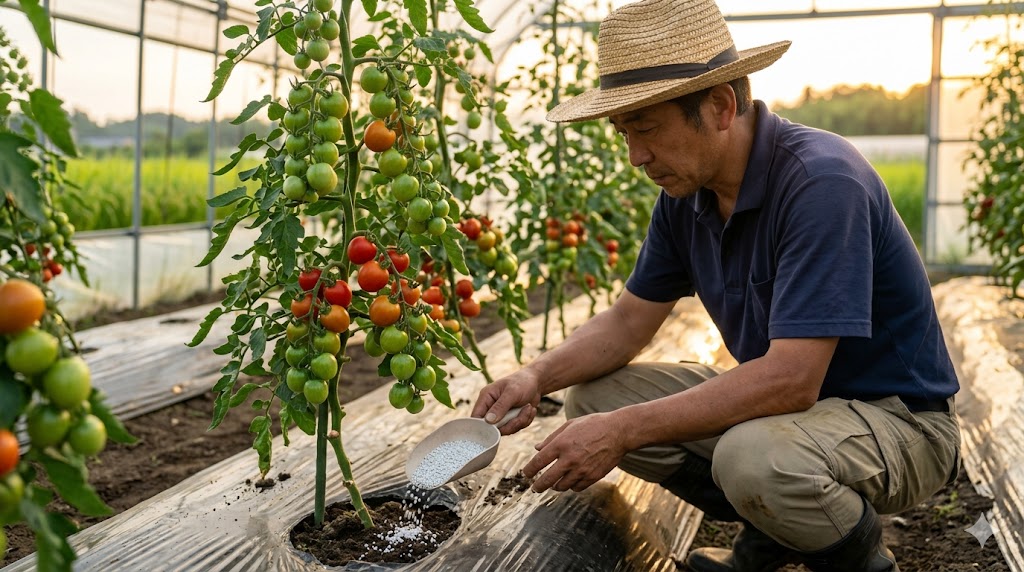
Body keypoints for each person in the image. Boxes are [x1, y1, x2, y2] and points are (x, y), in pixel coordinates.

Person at [470, 0, 961, 570]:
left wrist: (622, 433)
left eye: (647, 129)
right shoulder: (686, 195)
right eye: (624, 133)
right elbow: (630, 321)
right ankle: (776, 530)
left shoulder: (821, 182)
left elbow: (792, 380)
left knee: (750, 458)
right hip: (798, 419)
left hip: (898, 420)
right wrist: (535, 374)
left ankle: (858, 558)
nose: (636, 156)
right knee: (593, 400)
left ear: (722, 105)